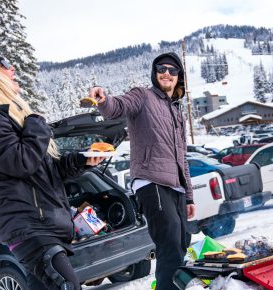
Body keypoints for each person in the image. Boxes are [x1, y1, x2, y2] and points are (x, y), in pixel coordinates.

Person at [0, 53, 103, 290]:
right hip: (28, 227)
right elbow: (21, 163)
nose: (13, 69)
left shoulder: (8, 118)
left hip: (43, 225)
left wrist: (82, 161)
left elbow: (47, 172)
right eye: (5, 65)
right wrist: (36, 124)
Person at [88, 52, 195, 290]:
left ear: (179, 77)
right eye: (161, 68)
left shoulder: (177, 113)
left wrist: (188, 195)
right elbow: (117, 106)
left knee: (181, 242)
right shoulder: (142, 96)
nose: (166, 72)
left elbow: (182, 159)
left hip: (175, 186)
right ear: (154, 72)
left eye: (172, 70)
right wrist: (104, 100)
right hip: (151, 181)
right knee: (169, 243)